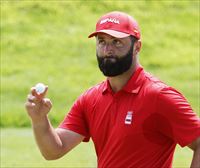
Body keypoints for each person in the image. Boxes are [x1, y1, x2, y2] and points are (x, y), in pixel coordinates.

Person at [25, 11, 200, 168]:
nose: (108, 50)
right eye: (102, 41)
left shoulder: (159, 96)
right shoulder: (90, 99)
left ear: (137, 47)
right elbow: (54, 150)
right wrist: (39, 120)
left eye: (117, 42)